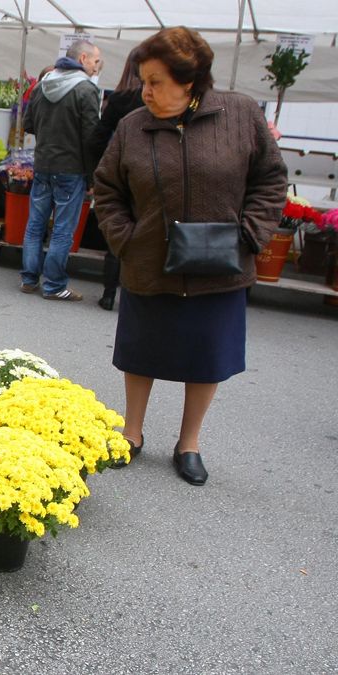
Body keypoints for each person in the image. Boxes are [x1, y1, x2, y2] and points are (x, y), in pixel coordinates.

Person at [93, 27, 286, 485]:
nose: (146, 91)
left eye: (156, 81)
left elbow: (271, 180)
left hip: (220, 264)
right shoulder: (132, 125)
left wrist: (250, 235)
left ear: (190, 79)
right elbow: (106, 188)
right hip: (148, 261)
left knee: (206, 354)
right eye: (144, 80)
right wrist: (126, 238)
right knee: (140, 351)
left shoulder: (240, 115)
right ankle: (132, 433)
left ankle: (189, 443)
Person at [18, 39, 102, 301]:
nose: (97, 66)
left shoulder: (43, 84)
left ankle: (29, 279)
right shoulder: (86, 89)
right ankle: (54, 286)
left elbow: (28, 123)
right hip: (71, 168)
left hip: (43, 163)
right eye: (96, 60)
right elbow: (92, 137)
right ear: (84, 58)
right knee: (63, 229)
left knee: (35, 225)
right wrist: (93, 175)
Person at [88, 48, 144, 312]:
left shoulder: (118, 100)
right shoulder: (158, 101)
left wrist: (102, 168)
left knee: (118, 233)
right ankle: (138, 293)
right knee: (147, 233)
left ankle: (109, 293)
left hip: (121, 173)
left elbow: (98, 139)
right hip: (151, 175)